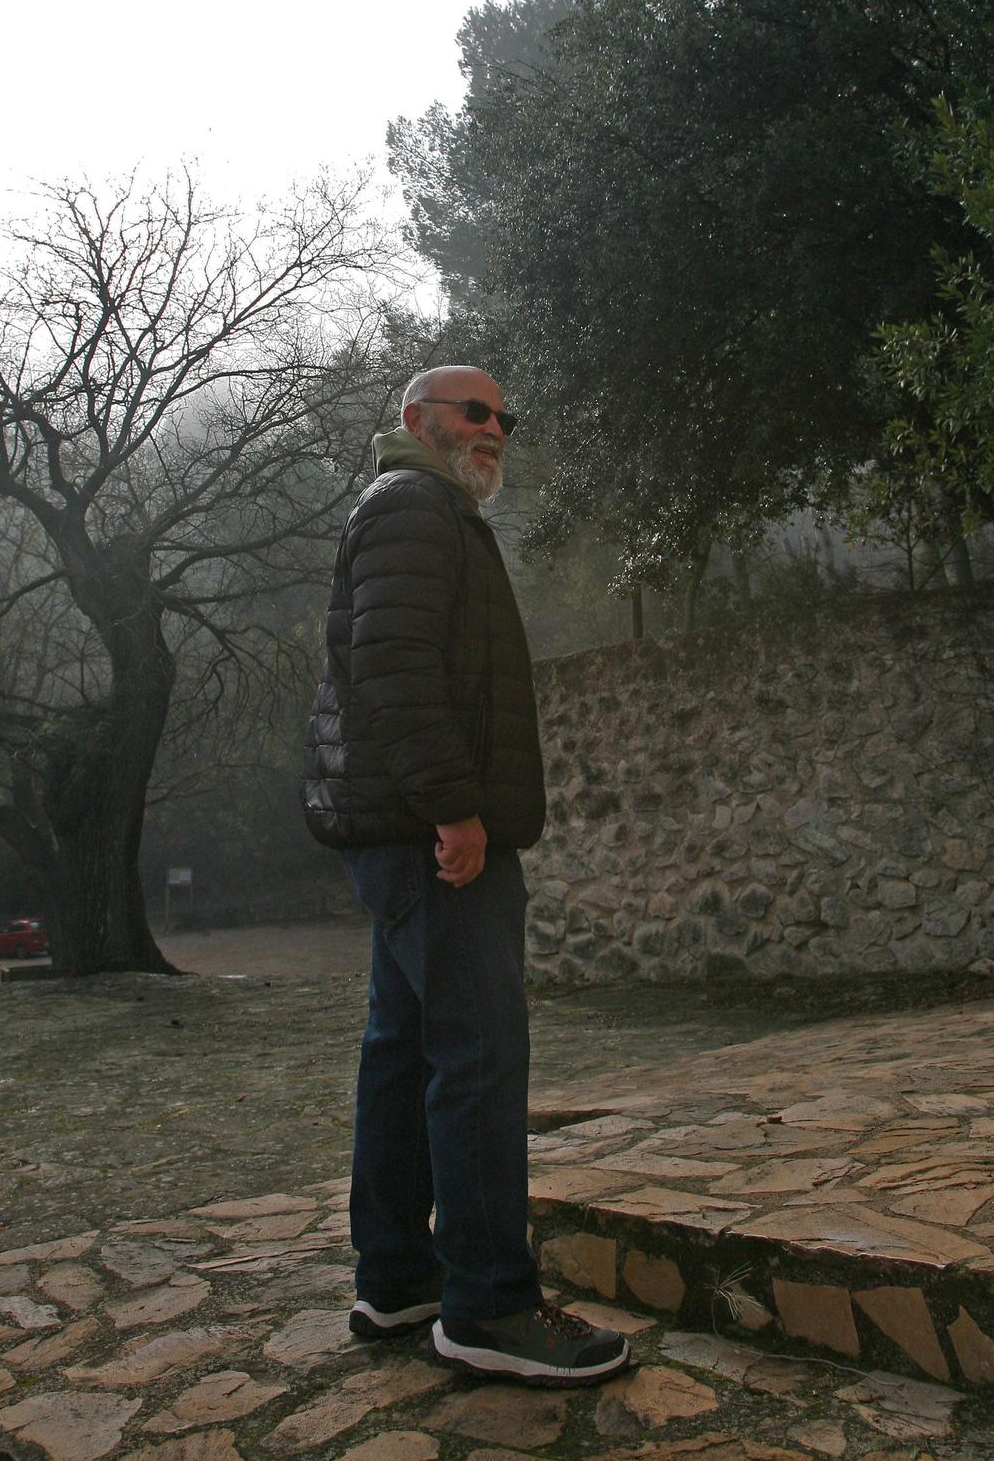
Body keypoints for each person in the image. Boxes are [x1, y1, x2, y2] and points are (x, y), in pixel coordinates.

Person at [302, 365, 629, 1388]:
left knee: (403, 1050)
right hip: (429, 833)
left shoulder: (425, 509)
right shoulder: (410, 507)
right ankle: (489, 1303)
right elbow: (396, 673)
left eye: (503, 417)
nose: (495, 429)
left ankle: (397, 1276)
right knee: (478, 1050)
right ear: (417, 420)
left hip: (404, 831)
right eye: (474, 412)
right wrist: (454, 807)